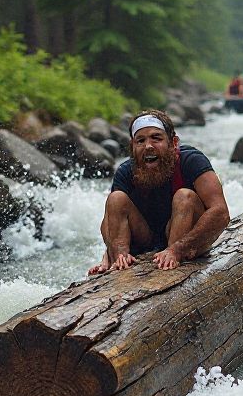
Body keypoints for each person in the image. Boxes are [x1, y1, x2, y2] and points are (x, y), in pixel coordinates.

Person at [89, 109, 231, 274]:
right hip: (147, 238)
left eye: (156, 138)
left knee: (184, 197)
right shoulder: (125, 171)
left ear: (173, 143)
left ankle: (174, 257)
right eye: (140, 141)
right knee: (116, 199)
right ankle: (119, 261)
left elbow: (221, 213)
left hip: (186, 238)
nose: (148, 146)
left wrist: (178, 249)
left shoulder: (192, 160)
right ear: (132, 147)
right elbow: (110, 220)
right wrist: (110, 251)